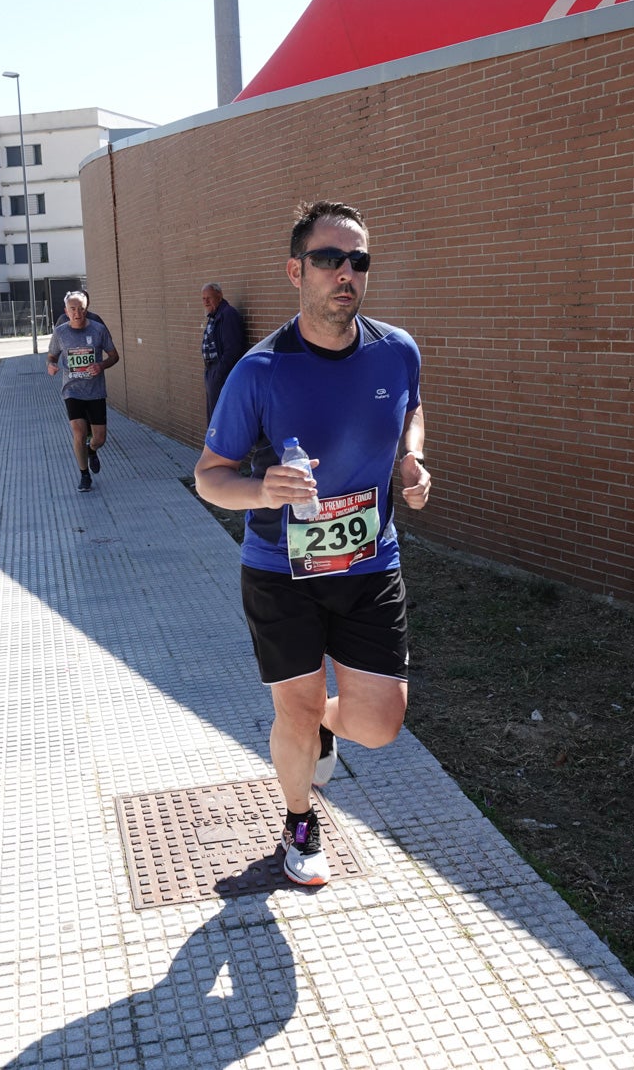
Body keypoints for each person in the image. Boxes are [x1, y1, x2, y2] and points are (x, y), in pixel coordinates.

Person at [194, 200, 431, 886]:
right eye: (329, 259)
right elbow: (210, 478)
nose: (345, 273)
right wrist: (260, 490)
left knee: (381, 723)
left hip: (369, 565)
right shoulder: (259, 371)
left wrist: (410, 459)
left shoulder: (397, 349)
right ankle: (299, 822)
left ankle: (315, 728)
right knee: (293, 708)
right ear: (296, 270)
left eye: (357, 260)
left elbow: (411, 404)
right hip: (280, 572)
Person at [47, 290, 120, 492]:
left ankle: (92, 450)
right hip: (72, 390)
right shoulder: (60, 332)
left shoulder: (98, 330)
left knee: (100, 438)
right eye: (73, 309)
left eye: (81, 309)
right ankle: (84, 475)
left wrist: (101, 366)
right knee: (78, 432)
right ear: (66, 311)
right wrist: (50, 365)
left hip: (95, 391)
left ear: (86, 309)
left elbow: (114, 356)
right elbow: (52, 356)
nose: (77, 313)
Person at [201, 282, 247, 420]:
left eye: (209, 297)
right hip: (212, 372)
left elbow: (233, 349)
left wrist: (218, 374)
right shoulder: (214, 316)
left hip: (222, 375)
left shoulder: (228, 315)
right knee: (214, 417)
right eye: (203, 298)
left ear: (219, 296)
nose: (206, 301)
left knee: (221, 419)